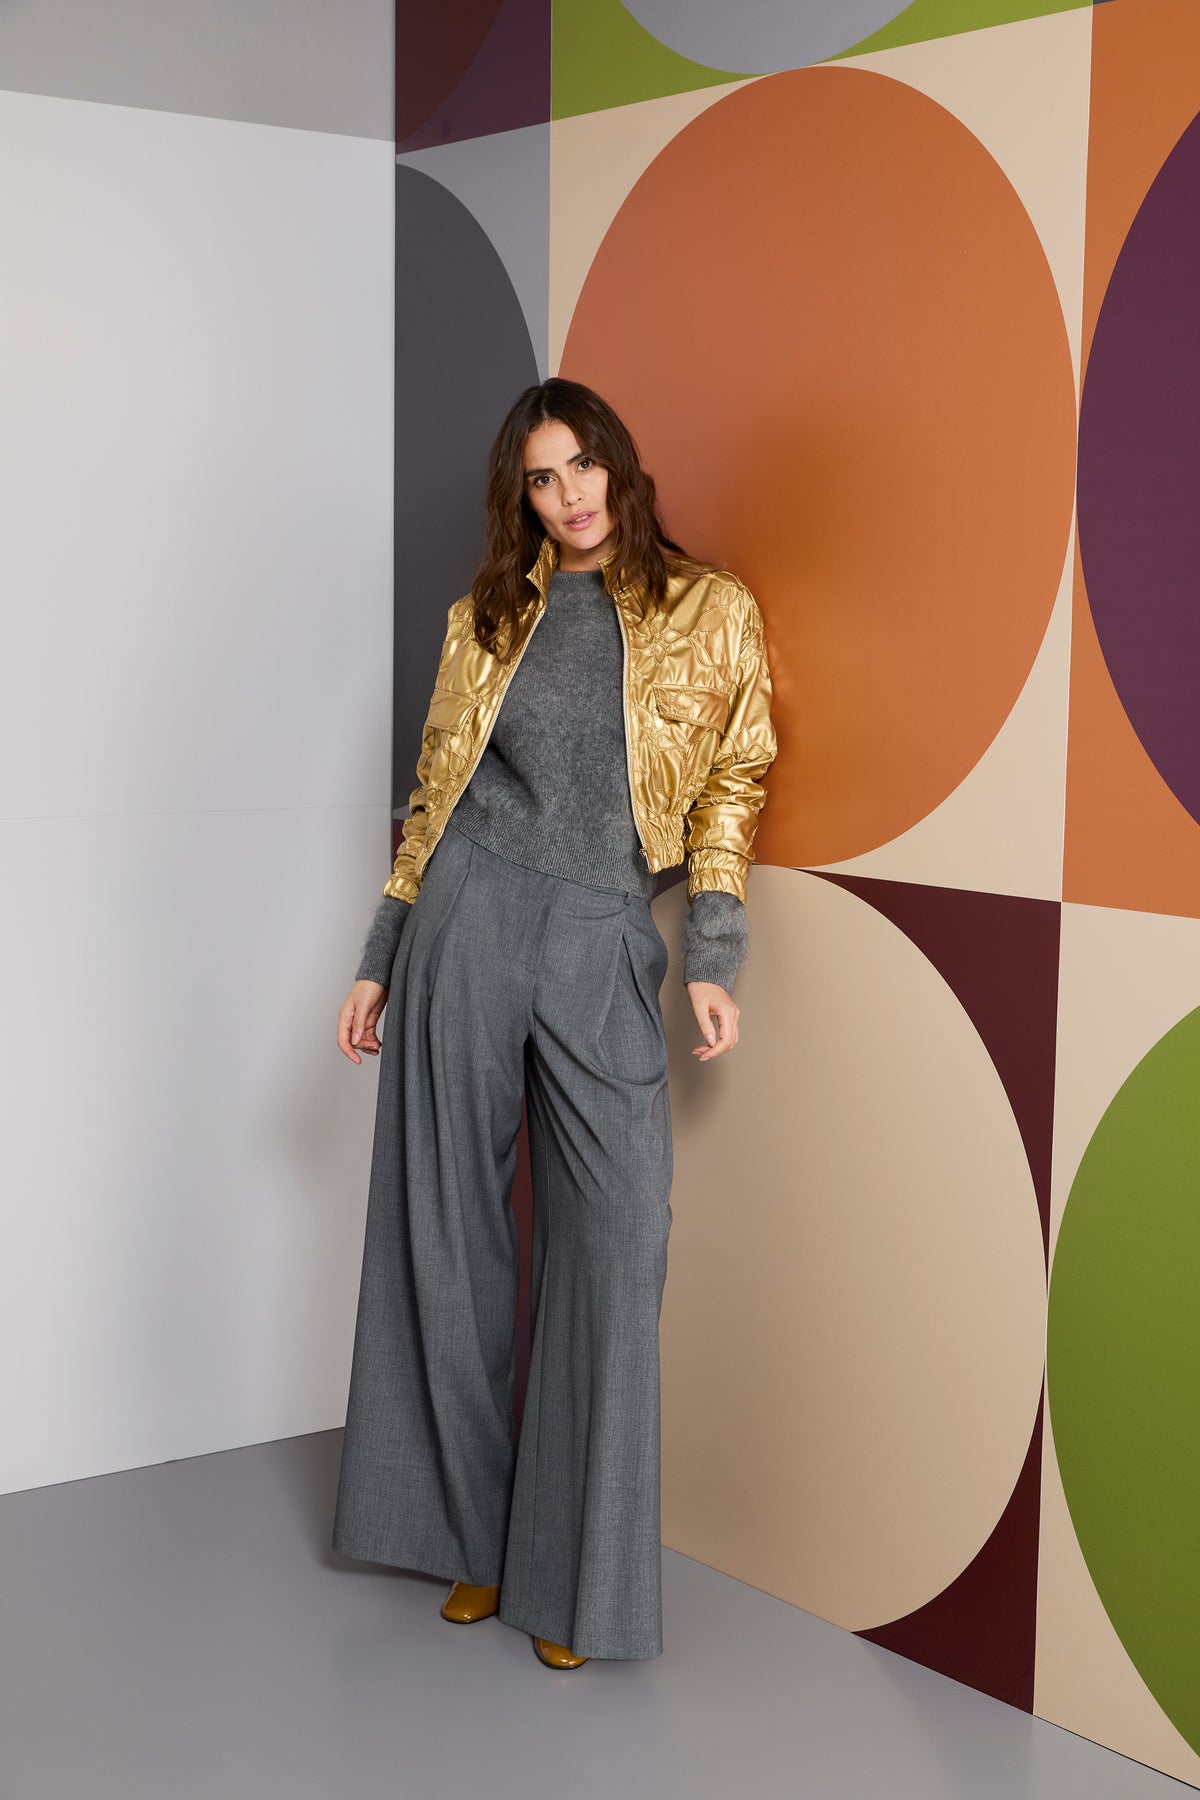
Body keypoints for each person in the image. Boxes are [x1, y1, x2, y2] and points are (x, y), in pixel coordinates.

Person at [331, 377, 777, 1669]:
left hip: (599, 933)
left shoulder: (708, 608)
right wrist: (380, 956)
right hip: (466, 914)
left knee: (619, 1239)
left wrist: (714, 953)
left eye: (584, 465)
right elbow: (434, 794)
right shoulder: (486, 615)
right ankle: (468, 1538)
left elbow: (733, 781)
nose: (570, 494)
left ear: (619, 466)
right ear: (519, 495)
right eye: (542, 477)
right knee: (446, 1234)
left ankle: (571, 1576)